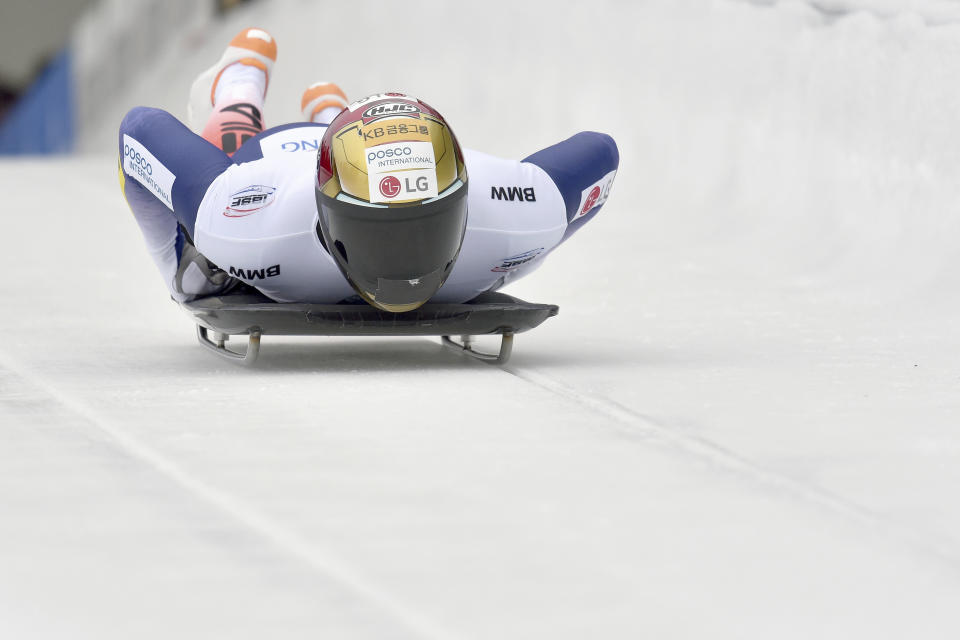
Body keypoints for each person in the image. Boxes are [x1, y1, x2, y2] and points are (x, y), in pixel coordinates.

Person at [118, 28, 619, 311]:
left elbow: (602, 152)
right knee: (224, 167)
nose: (400, 270)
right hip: (281, 160)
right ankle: (239, 85)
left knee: (200, 264)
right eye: (378, 237)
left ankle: (326, 109)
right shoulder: (244, 215)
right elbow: (138, 130)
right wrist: (177, 267)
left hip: (324, 166)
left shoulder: (520, 212)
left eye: (426, 229)